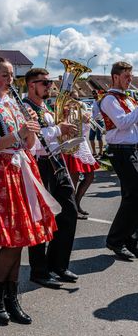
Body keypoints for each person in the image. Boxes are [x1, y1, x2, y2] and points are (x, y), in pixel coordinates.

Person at [0, 57, 59, 325]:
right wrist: (18, 134)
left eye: (11, 75)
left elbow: (29, 145)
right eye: (4, 75)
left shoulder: (13, 104)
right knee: (11, 240)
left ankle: (11, 296)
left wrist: (30, 129)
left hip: (20, 171)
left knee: (21, 237)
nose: (9, 80)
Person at [23, 68, 79, 285]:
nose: (49, 86)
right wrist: (57, 130)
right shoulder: (25, 109)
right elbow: (33, 141)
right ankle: (39, 271)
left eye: (49, 82)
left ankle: (59, 265)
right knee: (42, 219)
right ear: (31, 85)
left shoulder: (45, 108)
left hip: (56, 163)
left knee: (69, 213)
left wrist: (66, 134)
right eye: (44, 83)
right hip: (39, 166)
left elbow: (52, 134)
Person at [100, 61, 138, 261]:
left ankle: (130, 240)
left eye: (130, 77)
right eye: (126, 77)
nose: (129, 80)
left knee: (131, 196)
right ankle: (116, 240)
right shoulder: (109, 99)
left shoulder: (128, 99)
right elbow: (122, 123)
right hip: (120, 151)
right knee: (134, 195)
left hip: (131, 149)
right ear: (115, 77)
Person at [63, 90, 100, 220]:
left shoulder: (78, 111)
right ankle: (71, 209)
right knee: (74, 179)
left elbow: (83, 132)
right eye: (74, 98)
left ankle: (77, 204)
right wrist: (80, 120)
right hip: (72, 146)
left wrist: (85, 122)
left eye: (78, 99)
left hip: (82, 146)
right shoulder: (64, 113)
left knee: (90, 176)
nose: (77, 102)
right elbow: (69, 132)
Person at [89, 90, 104, 157]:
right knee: (91, 137)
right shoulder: (94, 101)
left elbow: (103, 112)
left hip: (99, 121)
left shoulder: (100, 101)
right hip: (93, 122)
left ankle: (101, 152)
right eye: (93, 94)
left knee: (99, 138)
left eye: (95, 93)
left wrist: (98, 118)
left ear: (98, 93)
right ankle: (94, 152)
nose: (94, 95)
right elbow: (93, 112)